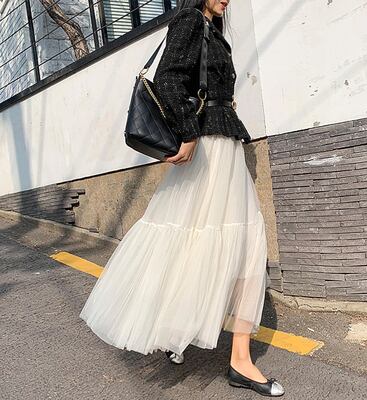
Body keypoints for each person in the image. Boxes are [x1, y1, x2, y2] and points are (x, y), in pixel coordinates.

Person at [80, 0, 284, 397]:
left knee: (228, 243)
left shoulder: (212, 28)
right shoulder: (190, 19)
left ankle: (225, 353)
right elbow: (169, 80)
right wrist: (189, 133)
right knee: (211, 242)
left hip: (222, 147)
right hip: (208, 150)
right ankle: (201, 343)